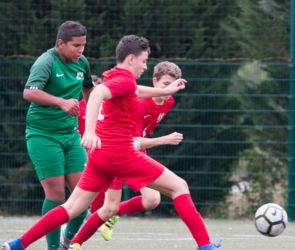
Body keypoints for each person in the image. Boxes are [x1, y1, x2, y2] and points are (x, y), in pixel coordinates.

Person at [2, 34, 221, 250]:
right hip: (120, 153)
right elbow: (97, 94)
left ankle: (18, 244)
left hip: (101, 156)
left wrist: (165, 90)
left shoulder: (117, 76)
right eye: (144, 61)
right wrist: (89, 132)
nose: (145, 67)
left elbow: (134, 91)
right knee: (179, 187)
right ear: (131, 59)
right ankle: (205, 247)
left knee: (71, 207)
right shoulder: (124, 80)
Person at [79, 62, 184, 241]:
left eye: (173, 86)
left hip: (131, 149)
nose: (170, 91)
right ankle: (76, 234)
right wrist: (163, 140)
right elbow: (133, 141)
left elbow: (139, 138)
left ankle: (95, 221)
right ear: (155, 81)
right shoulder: (140, 103)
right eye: (166, 85)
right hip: (119, 149)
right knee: (92, 204)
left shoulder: (169, 101)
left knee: (151, 200)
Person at [22, 21, 93, 250]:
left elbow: (89, 89)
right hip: (43, 136)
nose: (81, 50)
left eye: (83, 45)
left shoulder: (82, 62)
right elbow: (29, 92)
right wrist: (61, 102)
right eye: (76, 45)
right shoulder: (46, 62)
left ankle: (66, 241)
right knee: (55, 194)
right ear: (60, 43)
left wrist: (94, 111)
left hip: (71, 136)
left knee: (84, 194)